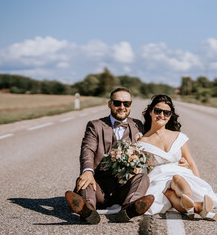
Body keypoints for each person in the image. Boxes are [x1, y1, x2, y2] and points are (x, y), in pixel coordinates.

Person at [65, 88, 154, 224]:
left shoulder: (138, 125)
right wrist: (88, 171)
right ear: (109, 104)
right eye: (117, 103)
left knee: (143, 178)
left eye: (126, 104)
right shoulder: (95, 126)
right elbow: (87, 149)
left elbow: (147, 147)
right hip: (98, 187)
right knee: (85, 181)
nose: (122, 107)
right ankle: (87, 210)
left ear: (130, 104)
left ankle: (129, 209)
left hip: (123, 188)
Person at [137, 94, 217, 220]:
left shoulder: (178, 136)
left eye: (166, 113)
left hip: (180, 176)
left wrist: (199, 182)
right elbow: (142, 168)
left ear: (170, 115)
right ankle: (197, 207)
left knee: (176, 179)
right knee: (168, 192)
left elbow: (190, 162)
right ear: (150, 112)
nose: (162, 115)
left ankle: (189, 201)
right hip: (158, 179)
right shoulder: (141, 142)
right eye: (158, 111)